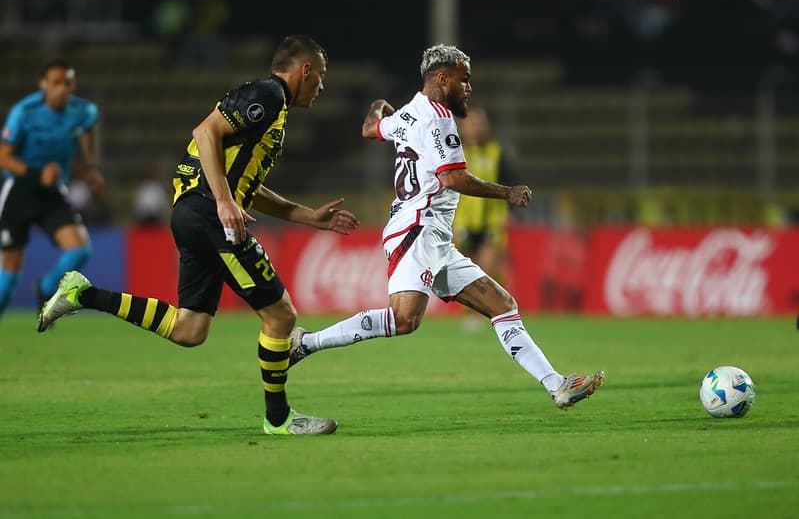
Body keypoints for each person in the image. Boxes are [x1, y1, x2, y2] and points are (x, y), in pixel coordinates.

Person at [37, 35, 359, 435]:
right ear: (305, 69)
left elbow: (246, 185)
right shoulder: (269, 94)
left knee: (190, 329)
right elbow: (205, 131)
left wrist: (307, 216)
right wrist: (224, 202)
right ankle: (278, 418)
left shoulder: (273, 110)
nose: (322, 87)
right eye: (321, 76)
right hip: (208, 213)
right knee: (281, 315)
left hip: (194, 212)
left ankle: (82, 294)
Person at [289, 44, 604, 410]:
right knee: (405, 319)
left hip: (433, 236)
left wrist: (379, 102)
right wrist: (507, 193)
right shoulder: (438, 117)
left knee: (502, 304)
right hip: (417, 229)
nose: (469, 88)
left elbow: (369, 127)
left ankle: (557, 384)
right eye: (463, 80)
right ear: (442, 79)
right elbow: (453, 179)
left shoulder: (408, 114)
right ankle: (306, 343)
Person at [0, 59, 104, 321]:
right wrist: (37, 174)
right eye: (56, 83)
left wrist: (90, 166)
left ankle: (45, 289)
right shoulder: (24, 112)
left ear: (73, 85)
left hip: (53, 192)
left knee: (80, 249)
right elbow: (3, 156)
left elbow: (88, 131)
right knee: (10, 270)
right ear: (43, 84)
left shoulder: (83, 111)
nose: (62, 88)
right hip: (20, 191)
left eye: (67, 83)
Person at [452, 106, 516, 329]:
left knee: (486, 268)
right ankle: (477, 313)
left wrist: (511, 213)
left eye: (480, 123)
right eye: (472, 124)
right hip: (462, 222)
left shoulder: (498, 153)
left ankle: (497, 312)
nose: (476, 128)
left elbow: (512, 185)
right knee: (464, 272)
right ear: (463, 127)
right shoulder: (454, 153)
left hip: (492, 221)